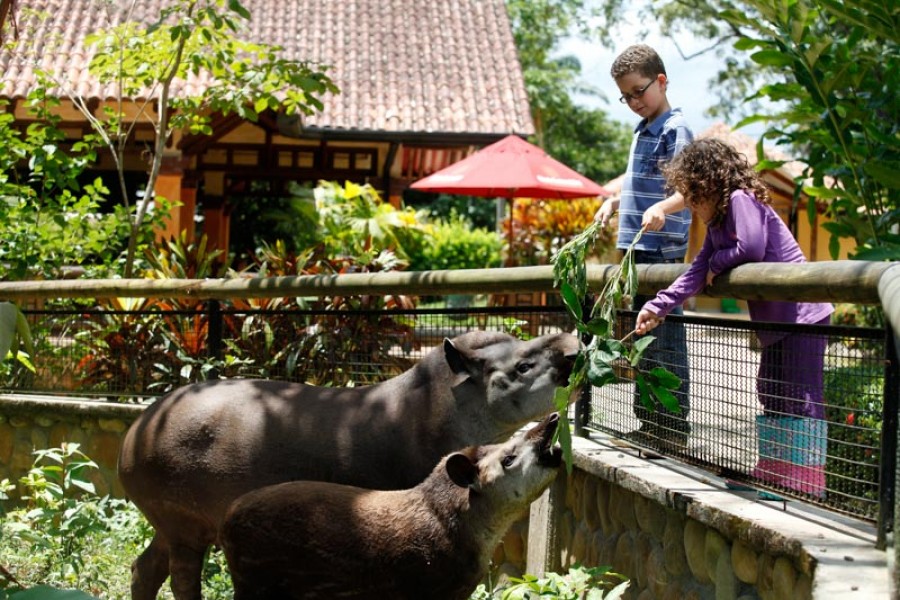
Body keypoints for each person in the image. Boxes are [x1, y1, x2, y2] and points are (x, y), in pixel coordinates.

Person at [635, 137, 834, 497]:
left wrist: (718, 263)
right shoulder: (716, 223)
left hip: (803, 316)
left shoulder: (741, 199)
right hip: (776, 322)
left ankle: (807, 481)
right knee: (772, 391)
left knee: (802, 397)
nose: (692, 206)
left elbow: (752, 247)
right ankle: (774, 471)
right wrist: (658, 305)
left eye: (694, 196)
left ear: (711, 183)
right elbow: (697, 270)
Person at [594, 44, 693, 447]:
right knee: (643, 339)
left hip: (662, 249)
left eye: (640, 91)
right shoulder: (642, 131)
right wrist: (614, 201)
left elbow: (691, 185)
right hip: (637, 250)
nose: (634, 102)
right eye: (627, 96)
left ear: (662, 81)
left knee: (664, 340)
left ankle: (671, 427)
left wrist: (664, 209)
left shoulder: (676, 128)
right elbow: (639, 183)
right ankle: (649, 422)